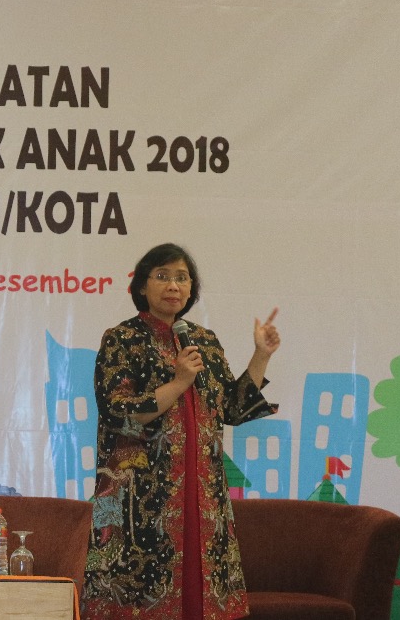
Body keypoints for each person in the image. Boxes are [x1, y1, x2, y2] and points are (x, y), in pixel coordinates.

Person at [83, 243, 281, 620]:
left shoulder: (204, 341)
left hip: (202, 496)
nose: (173, 285)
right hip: (141, 498)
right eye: (162, 276)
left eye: (182, 278)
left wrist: (261, 355)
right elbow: (118, 413)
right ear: (142, 286)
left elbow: (232, 408)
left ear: (191, 290)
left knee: (201, 597)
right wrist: (178, 383)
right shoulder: (122, 339)